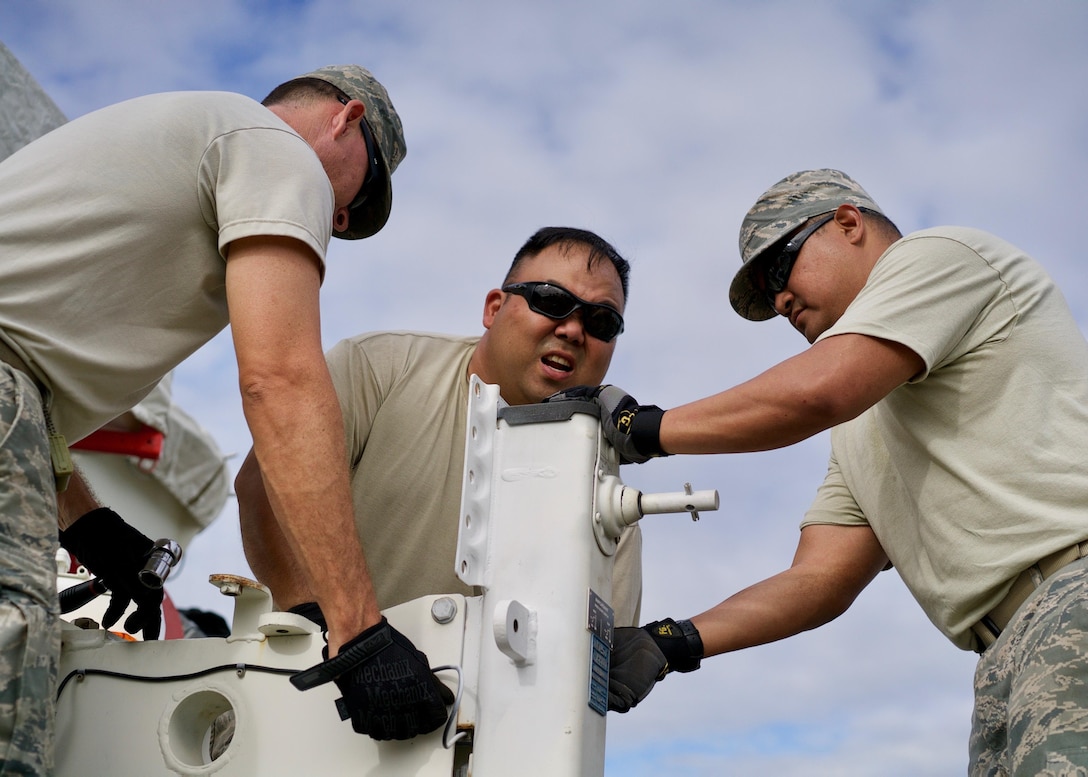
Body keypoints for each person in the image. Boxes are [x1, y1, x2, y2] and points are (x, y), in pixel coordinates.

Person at [559, 170, 1088, 775]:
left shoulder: (941, 257)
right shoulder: (865, 426)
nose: (780, 301)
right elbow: (820, 580)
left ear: (848, 223)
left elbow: (815, 392)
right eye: (767, 294)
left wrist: (642, 430)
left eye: (780, 271)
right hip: (1003, 655)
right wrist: (671, 641)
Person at [0, 63, 441, 774]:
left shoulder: (180, 134)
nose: (340, 220)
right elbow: (280, 380)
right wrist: (358, 627)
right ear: (347, 120)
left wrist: (85, 521)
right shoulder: (277, 150)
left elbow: (19, 362)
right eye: (365, 195)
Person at [235, 226, 643, 631]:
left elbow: (599, 668)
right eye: (552, 300)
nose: (573, 330)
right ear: (494, 308)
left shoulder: (607, 503)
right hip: (314, 676)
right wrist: (328, 631)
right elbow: (261, 487)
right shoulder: (383, 367)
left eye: (601, 322)